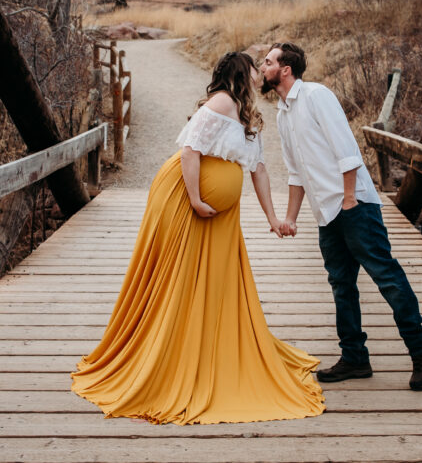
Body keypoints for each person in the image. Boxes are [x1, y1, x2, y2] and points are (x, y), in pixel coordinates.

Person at [71, 51, 325, 425]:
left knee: (215, 282)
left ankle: (206, 344)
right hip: (185, 201)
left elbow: (258, 169)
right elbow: (189, 151)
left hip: (219, 217)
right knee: (181, 276)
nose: (260, 72)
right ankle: (173, 349)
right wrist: (195, 198)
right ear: (244, 71)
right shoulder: (222, 101)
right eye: (256, 66)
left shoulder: (247, 112)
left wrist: (273, 217)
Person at [260, 42, 422, 390]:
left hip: (353, 203)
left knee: (385, 275)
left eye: (267, 62)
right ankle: (355, 357)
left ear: (285, 70)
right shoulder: (282, 114)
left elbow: (347, 150)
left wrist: (347, 199)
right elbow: (296, 174)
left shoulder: (316, 96)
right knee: (341, 284)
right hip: (326, 213)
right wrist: (291, 217)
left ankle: (421, 347)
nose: (262, 67)